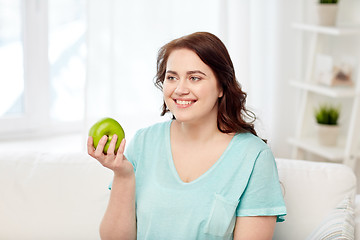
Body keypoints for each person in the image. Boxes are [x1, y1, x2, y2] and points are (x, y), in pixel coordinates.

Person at [87, 32, 286, 240]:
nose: (180, 89)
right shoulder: (144, 142)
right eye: (172, 77)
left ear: (221, 86)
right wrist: (123, 175)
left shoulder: (254, 158)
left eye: (194, 78)